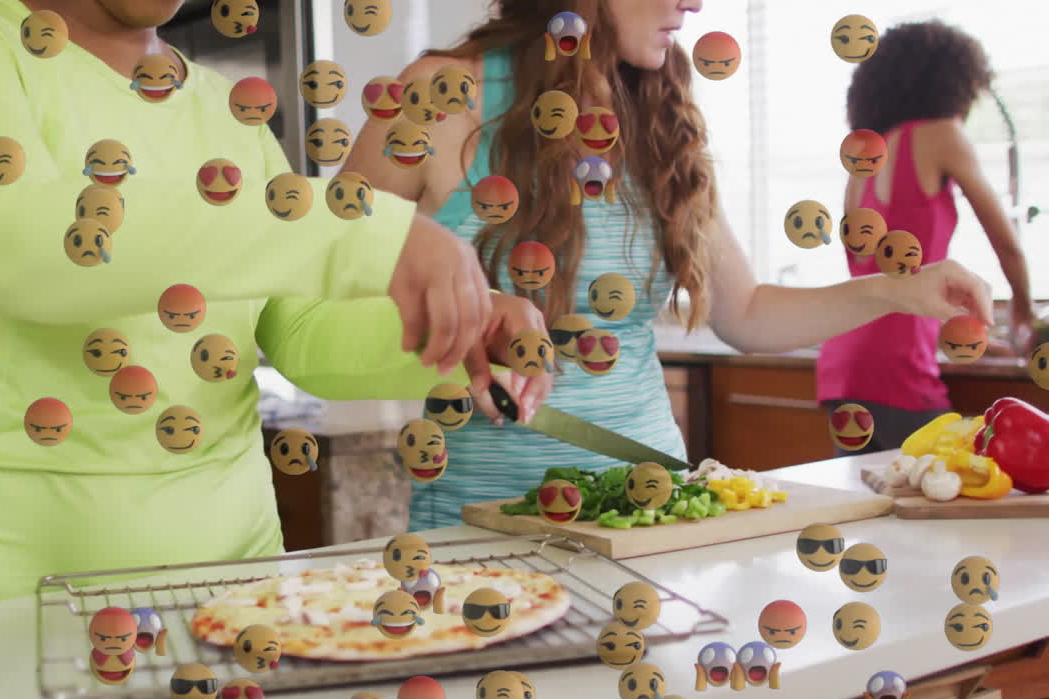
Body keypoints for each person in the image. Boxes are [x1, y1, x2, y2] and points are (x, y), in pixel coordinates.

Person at [0, 0, 495, 607]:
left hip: (236, 578)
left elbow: (302, 330)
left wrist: (462, 330)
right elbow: (16, 245)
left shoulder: (227, 109)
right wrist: (360, 232)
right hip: (11, 582)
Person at [338, 0, 999, 531]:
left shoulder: (660, 115)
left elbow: (747, 314)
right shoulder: (440, 95)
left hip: (651, 512)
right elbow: (328, 268)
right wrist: (467, 311)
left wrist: (895, 290)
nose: (694, 4)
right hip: (482, 522)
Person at [816, 20, 1036, 456]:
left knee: (876, 510)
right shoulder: (941, 135)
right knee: (955, 493)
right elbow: (1006, 241)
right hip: (896, 371)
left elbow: (884, 281)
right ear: (952, 83)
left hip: (842, 365)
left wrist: (952, 333)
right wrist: (1024, 317)